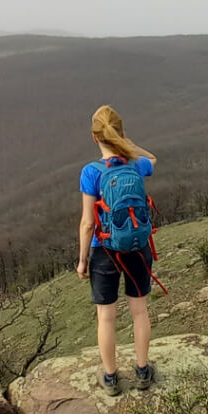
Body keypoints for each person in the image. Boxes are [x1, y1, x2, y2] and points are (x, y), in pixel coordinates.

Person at [76, 105, 157, 395]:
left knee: (106, 317)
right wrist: (130, 144)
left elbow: (88, 223)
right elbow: (153, 159)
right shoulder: (136, 165)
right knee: (139, 312)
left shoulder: (91, 172)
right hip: (137, 246)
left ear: (94, 137)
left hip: (104, 250)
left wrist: (83, 261)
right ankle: (143, 371)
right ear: (121, 133)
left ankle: (110, 378)